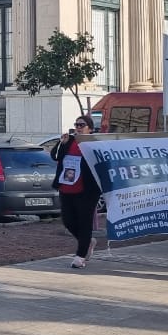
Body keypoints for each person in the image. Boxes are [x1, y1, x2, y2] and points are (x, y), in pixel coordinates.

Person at [51, 114, 103, 268]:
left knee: (84, 222)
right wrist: (61, 143)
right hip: (67, 187)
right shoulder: (69, 141)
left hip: (87, 190)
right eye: (76, 125)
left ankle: (80, 257)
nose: (78, 128)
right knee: (68, 221)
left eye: (82, 125)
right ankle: (87, 242)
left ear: (90, 129)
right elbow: (55, 156)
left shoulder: (94, 143)